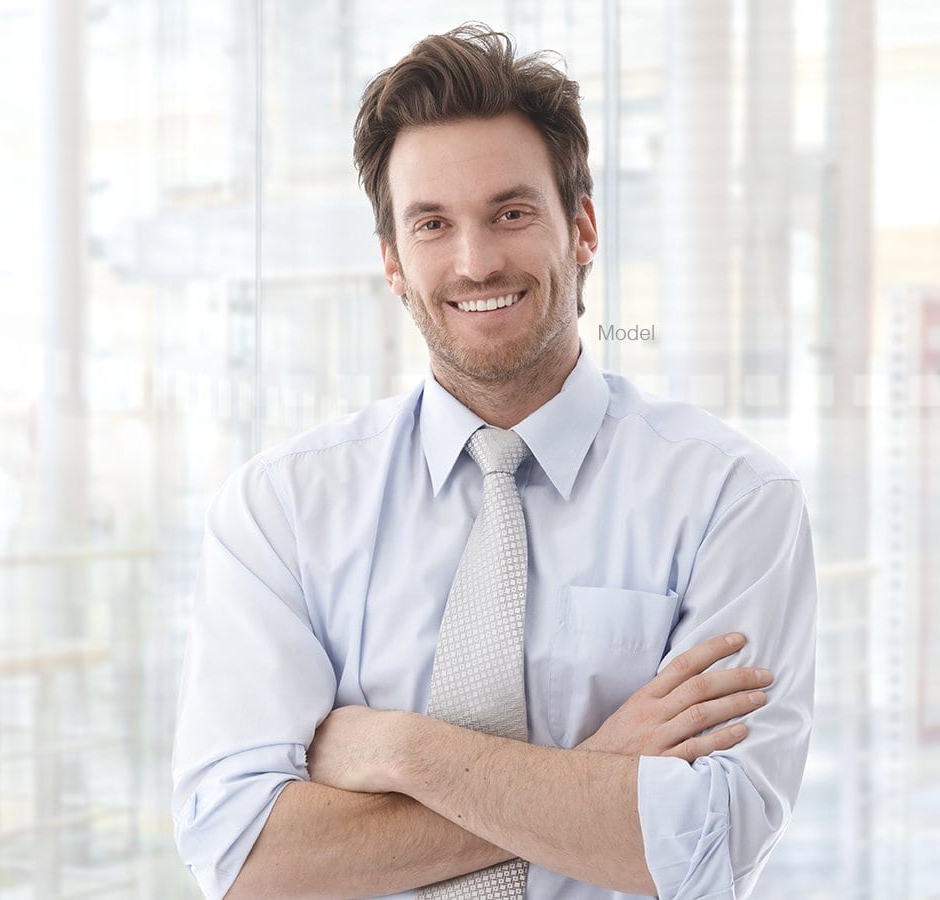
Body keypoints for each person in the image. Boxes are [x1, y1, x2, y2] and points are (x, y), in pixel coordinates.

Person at [171, 23, 816, 900]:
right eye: (432, 224)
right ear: (394, 263)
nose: (475, 262)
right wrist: (594, 770)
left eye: (511, 213)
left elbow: (707, 848)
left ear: (581, 228)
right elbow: (247, 859)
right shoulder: (281, 509)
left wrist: (405, 750)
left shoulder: (731, 501)